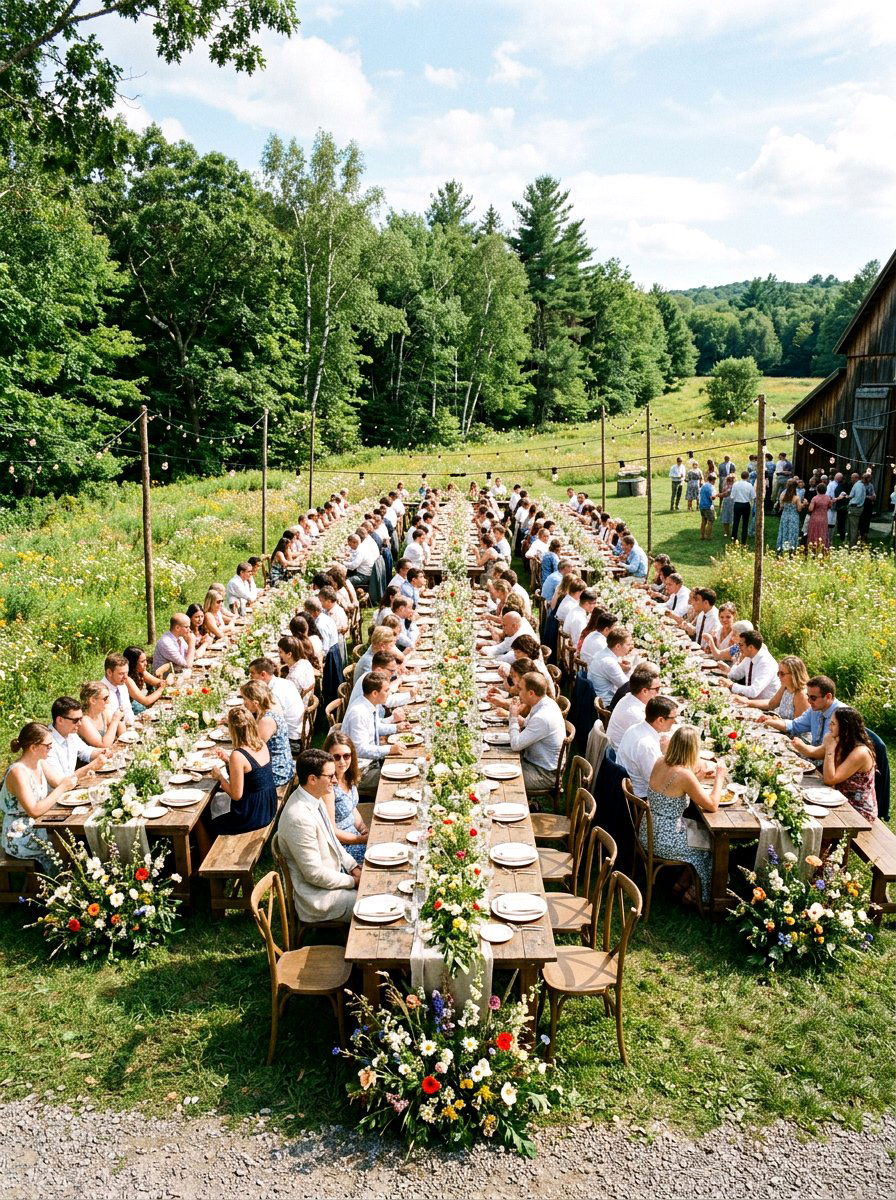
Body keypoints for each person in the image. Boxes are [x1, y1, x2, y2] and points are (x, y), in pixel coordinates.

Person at [276, 749, 362, 922]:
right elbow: (314, 874)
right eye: (330, 776)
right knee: (369, 903)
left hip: (335, 876)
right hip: (318, 897)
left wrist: (354, 867)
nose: (335, 780)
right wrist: (353, 881)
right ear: (312, 779)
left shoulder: (315, 796)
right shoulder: (298, 818)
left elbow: (333, 840)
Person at [645, 724, 727, 905]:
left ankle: (682, 882)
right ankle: (696, 894)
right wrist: (720, 777)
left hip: (648, 830)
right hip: (665, 839)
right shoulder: (684, 774)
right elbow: (713, 805)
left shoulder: (660, 761)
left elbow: (674, 789)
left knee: (701, 831)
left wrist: (697, 779)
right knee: (712, 841)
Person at [1, 722, 79, 871]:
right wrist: (63, 787)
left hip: (38, 824)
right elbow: (34, 810)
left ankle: (67, 877)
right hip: (20, 833)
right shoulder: (18, 772)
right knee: (63, 843)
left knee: (69, 838)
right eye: (48, 745)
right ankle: (58, 880)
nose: (51, 748)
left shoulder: (40, 762)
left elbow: (60, 782)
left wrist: (87, 771)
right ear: (33, 747)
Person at [208, 706, 277, 835]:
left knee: (206, 823)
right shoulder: (261, 743)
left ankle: (204, 847)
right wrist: (228, 760)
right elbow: (253, 773)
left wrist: (220, 778)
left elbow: (236, 795)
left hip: (251, 815)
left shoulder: (238, 755)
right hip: (268, 806)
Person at [340, 671, 408, 792]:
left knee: (404, 765)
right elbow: (359, 749)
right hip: (360, 771)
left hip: (372, 762)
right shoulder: (358, 713)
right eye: (386, 690)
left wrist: (396, 728)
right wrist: (389, 749)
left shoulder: (370, 704)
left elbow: (376, 727)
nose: (389, 693)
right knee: (400, 780)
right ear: (375, 693)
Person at [508, 673, 566, 797]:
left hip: (544, 774)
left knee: (506, 778)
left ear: (531, 693)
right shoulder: (545, 703)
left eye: (520, 689)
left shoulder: (542, 717)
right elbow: (527, 724)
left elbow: (515, 745)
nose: (518, 692)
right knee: (504, 766)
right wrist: (514, 715)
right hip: (535, 764)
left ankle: (519, 805)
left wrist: (513, 717)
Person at [760, 674, 841, 760]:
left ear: (828, 697)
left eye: (813, 698)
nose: (809, 701)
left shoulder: (841, 715)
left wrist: (804, 748)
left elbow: (829, 751)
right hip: (816, 756)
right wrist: (769, 721)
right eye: (808, 697)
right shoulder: (816, 709)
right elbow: (794, 725)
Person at [616, 697, 679, 799]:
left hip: (630, 786)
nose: (675, 721)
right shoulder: (647, 745)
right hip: (642, 798)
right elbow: (658, 783)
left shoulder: (634, 728)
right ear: (660, 720)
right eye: (673, 718)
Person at [822, 707, 877, 821]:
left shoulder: (860, 752)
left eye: (833, 724)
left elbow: (829, 780)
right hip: (840, 799)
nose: (829, 726)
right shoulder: (844, 742)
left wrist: (830, 749)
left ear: (845, 728)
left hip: (858, 810)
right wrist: (796, 744)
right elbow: (813, 753)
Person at [321, 731, 368, 864]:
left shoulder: (348, 776)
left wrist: (363, 829)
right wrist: (361, 839)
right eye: (336, 757)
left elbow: (352, 807)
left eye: (346, 756)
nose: (342, 761)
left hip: (355, 837)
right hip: (342, 847)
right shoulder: (328, 787)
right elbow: (332, 831)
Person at [238, 680, 294, 789]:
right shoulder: (267, 712)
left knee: (236, 775)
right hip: (281, 765)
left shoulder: (266, 720)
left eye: (245, 699)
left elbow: (253, 749)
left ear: (255, 703)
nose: (244, 703)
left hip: (277, 771)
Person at [44, 696, 106, 786]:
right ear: (60, 720)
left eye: (80, 719)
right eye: (75, 720)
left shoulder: (70, 733)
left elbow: (86, 751)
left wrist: (104, 752)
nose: (80, 724)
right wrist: (91, 766)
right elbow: (61, 782)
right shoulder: (46, 743)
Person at [248, 657, 305, 753]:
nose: (250, 677)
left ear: (263, 674)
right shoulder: (283, 681)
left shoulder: (274, 694)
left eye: (252, 673)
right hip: (297, 730)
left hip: (291, 740)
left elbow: (270, 724)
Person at [732, 654, 809, 722]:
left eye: (782, 674)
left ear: (794, 675)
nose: (779, 676)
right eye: (778, 673)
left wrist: (775, 720)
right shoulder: (785, 686)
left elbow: (797, 726)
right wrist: (747, 702)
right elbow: (771, 704)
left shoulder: (801, 695)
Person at [606, 664, 662, 749]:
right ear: (644, 691)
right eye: (657, 689)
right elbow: (653, 743)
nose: (659, 693)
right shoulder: (635, 714)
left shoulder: (629, 697)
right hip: (621, 754)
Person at [720, 630, 778, 700]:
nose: (738, 648)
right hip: (749, 701)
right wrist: (726, 670)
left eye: (741, 645)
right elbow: (736, 675)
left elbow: (754, 691)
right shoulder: (750, 656)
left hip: (764, 705)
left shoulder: (766, 664)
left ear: (750, 647)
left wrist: (732, 685)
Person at [588, 628, 634, 704]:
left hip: (596, 695)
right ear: (618, 646)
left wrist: (625, 670)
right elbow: (628, 688)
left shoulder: (602, 653)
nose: (630, 647)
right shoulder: (609, 662)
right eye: (628, 645)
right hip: (606, 703)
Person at [78, 681, 126, 749]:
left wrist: (119, 720)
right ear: (93, 700)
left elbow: (122, 732)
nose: (108, 702)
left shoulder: (103, 712)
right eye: (105, 698)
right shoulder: (83, 721)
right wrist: (115, 720)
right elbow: (103, 745)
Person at [122, 646, 169, 713]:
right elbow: (145, 701)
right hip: (124, 710)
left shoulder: (141, 671)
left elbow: (158, 682)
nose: (146, 663)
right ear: (133, 664)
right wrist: (161, 688)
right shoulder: (127, 679)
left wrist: (165, 677)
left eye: (145, 660)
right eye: (142, 661)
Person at [102, 652, 136, 727]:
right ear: (109, 672)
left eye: (127, 673)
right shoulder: (101, 692)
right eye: (121, 674)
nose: (126, 677)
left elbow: (128, 710)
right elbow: (108, 722)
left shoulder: (122, 685)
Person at [776, 480, 803, 554]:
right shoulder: (796, 497)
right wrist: (803, 505)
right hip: (793, 517)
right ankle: (791, 548)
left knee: (784, 531)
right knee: (792, 532)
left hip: (785, 516)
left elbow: (781, 506)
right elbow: (799, 509)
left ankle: (782, 547)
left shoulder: (782, 495)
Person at [805, 483, 832, 551]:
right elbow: (829, 506)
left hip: (815, 518)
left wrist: (807, 504)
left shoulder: (815, 498)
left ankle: (813, 548)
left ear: (817, 490)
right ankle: (822, 548)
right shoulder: (828, 498)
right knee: (822, 532)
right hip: (824, 518)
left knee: (814, 532)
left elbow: (810, 509)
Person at [730, 471, 755, 545]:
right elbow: (753, 496)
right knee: (745, 523)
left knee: (736, 522)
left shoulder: (735, 484)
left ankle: (734, 538)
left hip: (737, 504)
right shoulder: (749, 485)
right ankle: (744, 541)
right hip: (746, 505)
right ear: (748, 477)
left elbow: (732, 496)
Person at [846, 472, 867, 547]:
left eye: (852, 477)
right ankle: (850, 543)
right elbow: (853, 495)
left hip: (855, 507)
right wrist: (848, 496)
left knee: (853, 527)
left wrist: (851, 503)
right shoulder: (861, 485)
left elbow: (857, 498)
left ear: (856, 478)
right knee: (852, 527)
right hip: (857, 507)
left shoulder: (858, 485)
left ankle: (852, 545)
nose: (851, 479)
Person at [698, 474, 717, 541]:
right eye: (714, 480)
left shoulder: (703, 485)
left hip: (701, 505)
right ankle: (708, 536)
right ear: (713, 480)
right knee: (711, 520)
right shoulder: (711, 487)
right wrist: (716, 495)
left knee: (704, 520)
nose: (715, 482)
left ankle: (702, 535)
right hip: (707, 506)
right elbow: (712, 497)